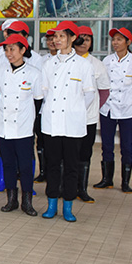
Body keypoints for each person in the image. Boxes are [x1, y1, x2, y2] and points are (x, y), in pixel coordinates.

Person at [40, 21, 96, 222]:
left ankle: (68, 207)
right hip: (52, 123)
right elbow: (45, 93)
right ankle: (51, 204)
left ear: (72, 38)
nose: (57, 40)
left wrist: (75, 110)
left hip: (73, 124)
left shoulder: (83, 65)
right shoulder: (48, 64)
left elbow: (89, 95)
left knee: (72, 167)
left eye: (62, 36)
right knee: (52, 165)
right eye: (55, 36)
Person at [0, 34, 43, 216]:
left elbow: (37, 101)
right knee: (8, 164)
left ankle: (27, 202)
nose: (8, 53)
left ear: (22, 50)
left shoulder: (34, 73)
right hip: (4, 127)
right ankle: (11, 200)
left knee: (25, 166)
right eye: (6, 49)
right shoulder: (0, 71)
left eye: (12, 49)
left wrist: (27, 119)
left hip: (23, 128)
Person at [95, 27, 132, 193]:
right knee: (107, 145)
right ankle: (107, 179)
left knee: (126, 146)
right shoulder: (107, 60)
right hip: (108, 109)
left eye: (119, 39)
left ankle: (125, 182)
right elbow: (102, 85)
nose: (115, 43)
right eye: (113, 39)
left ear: (128, 42)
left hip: (127, 109)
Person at [72, 25, 111, 202]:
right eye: (81, 38)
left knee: (85, 153)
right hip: (67, 118)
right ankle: (66, 188)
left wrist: (92, 107)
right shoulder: (66, 61)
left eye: (88, 39)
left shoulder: (97, 64)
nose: (84, 42)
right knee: (67, 153)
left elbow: (104, 90)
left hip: (88, 118)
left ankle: (81, 189)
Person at [35, 30, 59, 184]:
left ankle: (55, 173)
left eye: (54, 39)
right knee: (41, 140)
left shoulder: (66, 61)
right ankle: (43, 171)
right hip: (42, 107)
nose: (52, 42)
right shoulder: (41, 60)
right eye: (49, 39)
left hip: (59, 109)